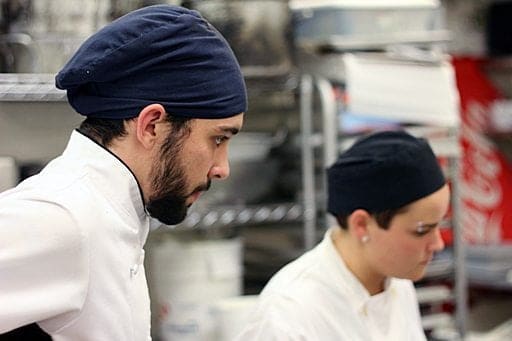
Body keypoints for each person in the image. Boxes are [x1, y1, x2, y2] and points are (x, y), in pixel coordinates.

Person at [0, 4, 246, 340]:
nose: (223, 169)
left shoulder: (111, 213)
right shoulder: (64, 219)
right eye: (217, 138)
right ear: (151, 125)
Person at [236, 130, 450, 340]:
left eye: (438, 226)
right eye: (422, 230)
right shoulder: (289, 315)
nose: (438, 244)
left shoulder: (396, 281)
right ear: (362, 225)